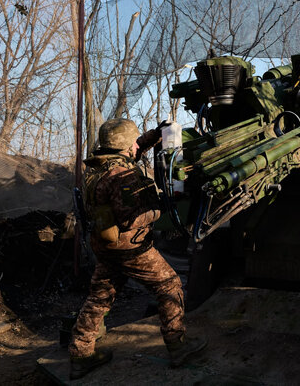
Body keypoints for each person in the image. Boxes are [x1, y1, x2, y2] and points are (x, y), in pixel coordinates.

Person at [68, 118, 206, 380]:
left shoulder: (98, 166)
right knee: (169, 285)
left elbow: (134, 148)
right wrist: (160, 208)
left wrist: (155, 134)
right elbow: (131, 218)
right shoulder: (122, 177)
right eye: (132, 141)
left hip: (104, 244)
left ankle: (80, 355)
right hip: (130, 248)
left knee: (99, 297)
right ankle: (178, 347)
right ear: (124, 146)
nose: (135, 145)